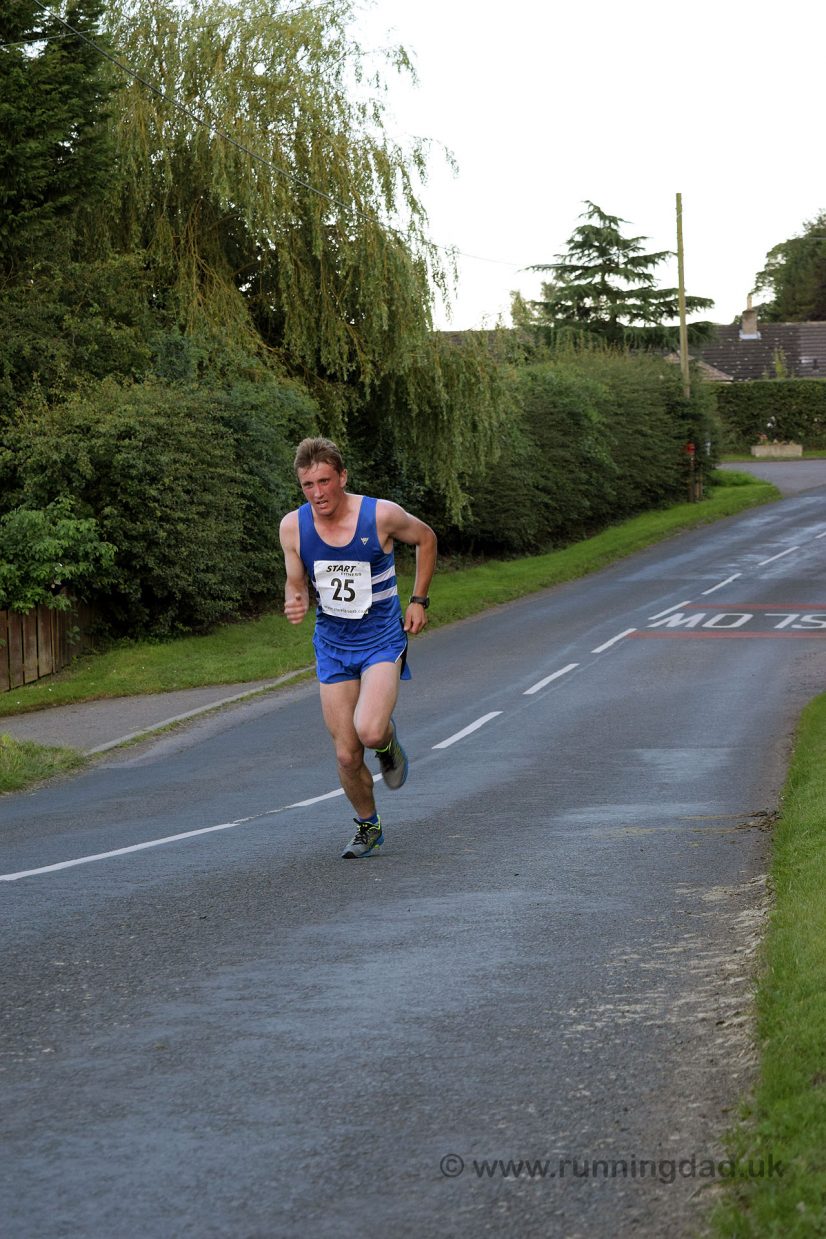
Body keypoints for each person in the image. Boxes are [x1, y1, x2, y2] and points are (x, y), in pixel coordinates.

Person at [279, 437, 437, 858]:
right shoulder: (293, 526)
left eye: (324, 481)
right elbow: (296, 580)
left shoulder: (380, 515)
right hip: (333, 646)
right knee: (347, 755)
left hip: (381, 640)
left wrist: (418, 600)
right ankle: (369, 825)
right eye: (308, 485)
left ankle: (387, 743)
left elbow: (426, 538)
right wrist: (296, 597)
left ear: (343, 477)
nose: (317, 493)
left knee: (369, 730)